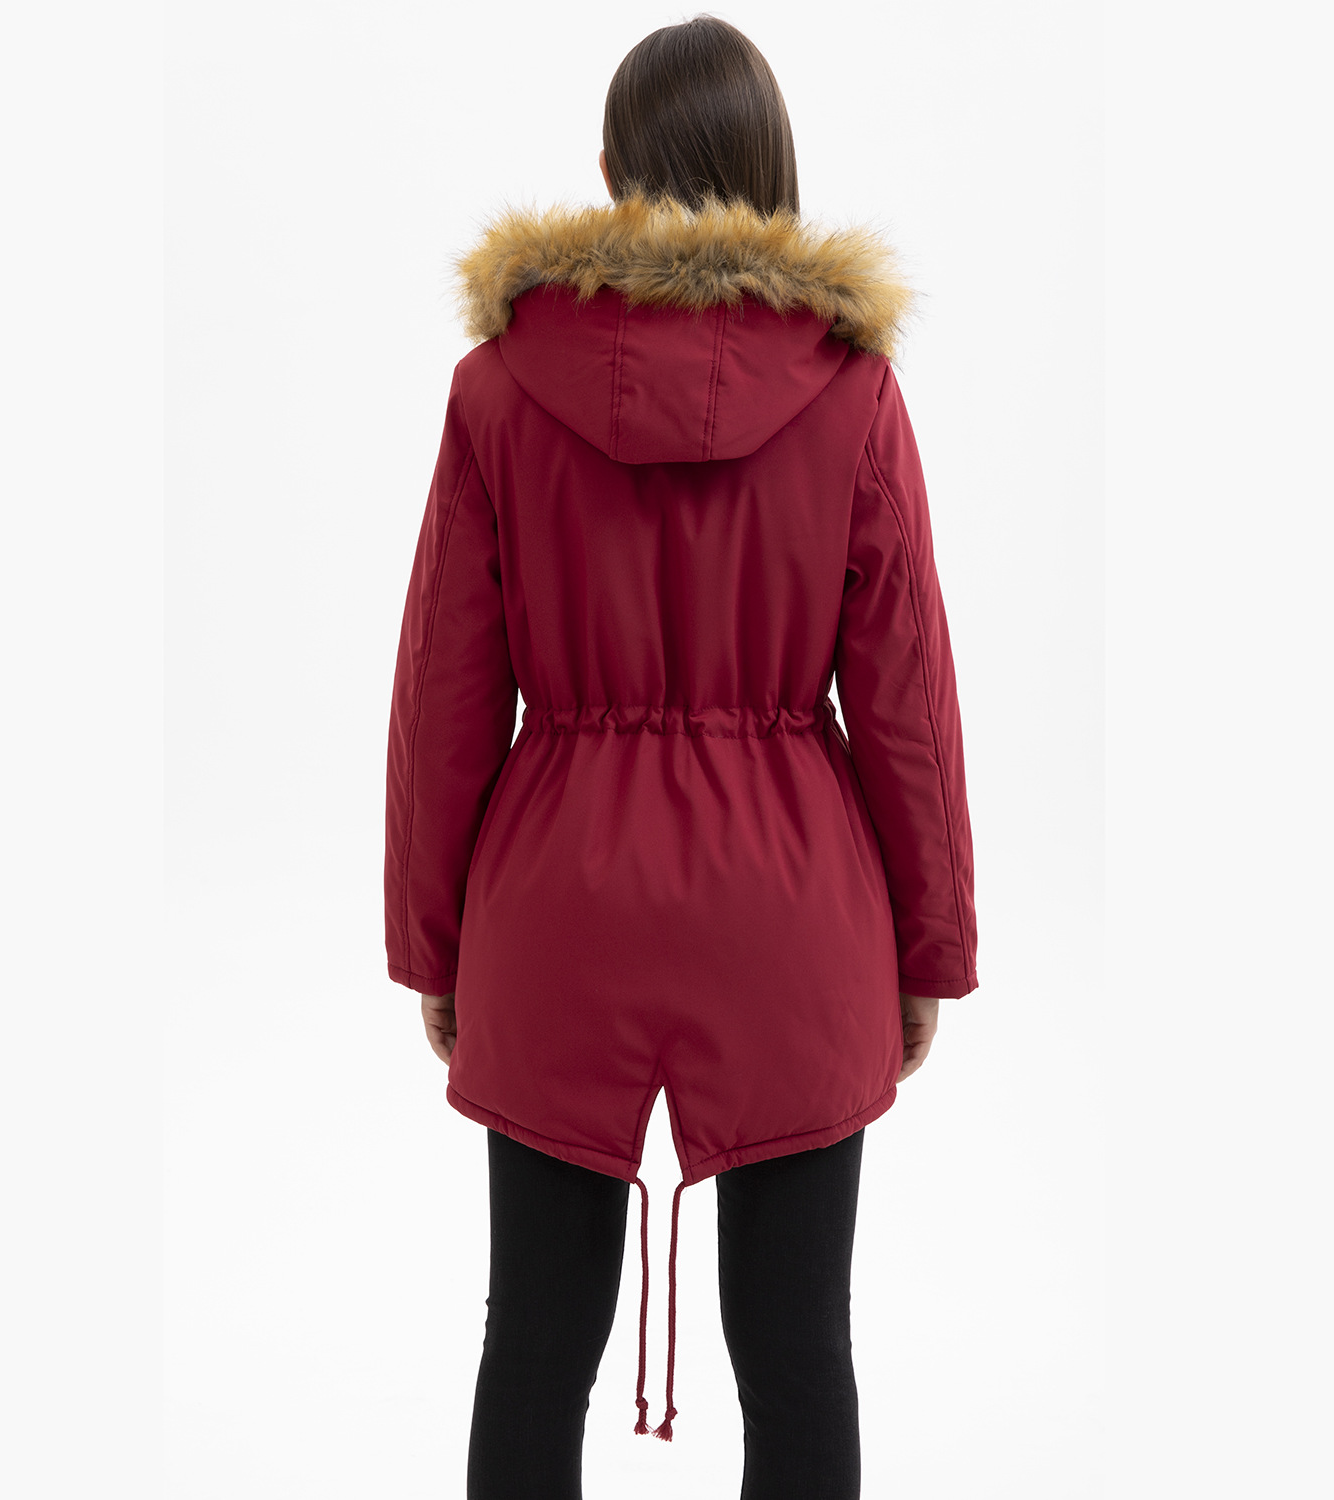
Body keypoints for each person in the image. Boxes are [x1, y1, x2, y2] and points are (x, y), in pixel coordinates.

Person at [383, 15, 979, 1498]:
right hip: (792, 910)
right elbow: (906, 700)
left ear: (609, 173)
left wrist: (435, 946)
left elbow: (444, 693)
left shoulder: (497, 388)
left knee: (533, 1344)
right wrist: (927, 949)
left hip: (556, 904)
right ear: (775, 176)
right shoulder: (853, 391)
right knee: (799, 1353)